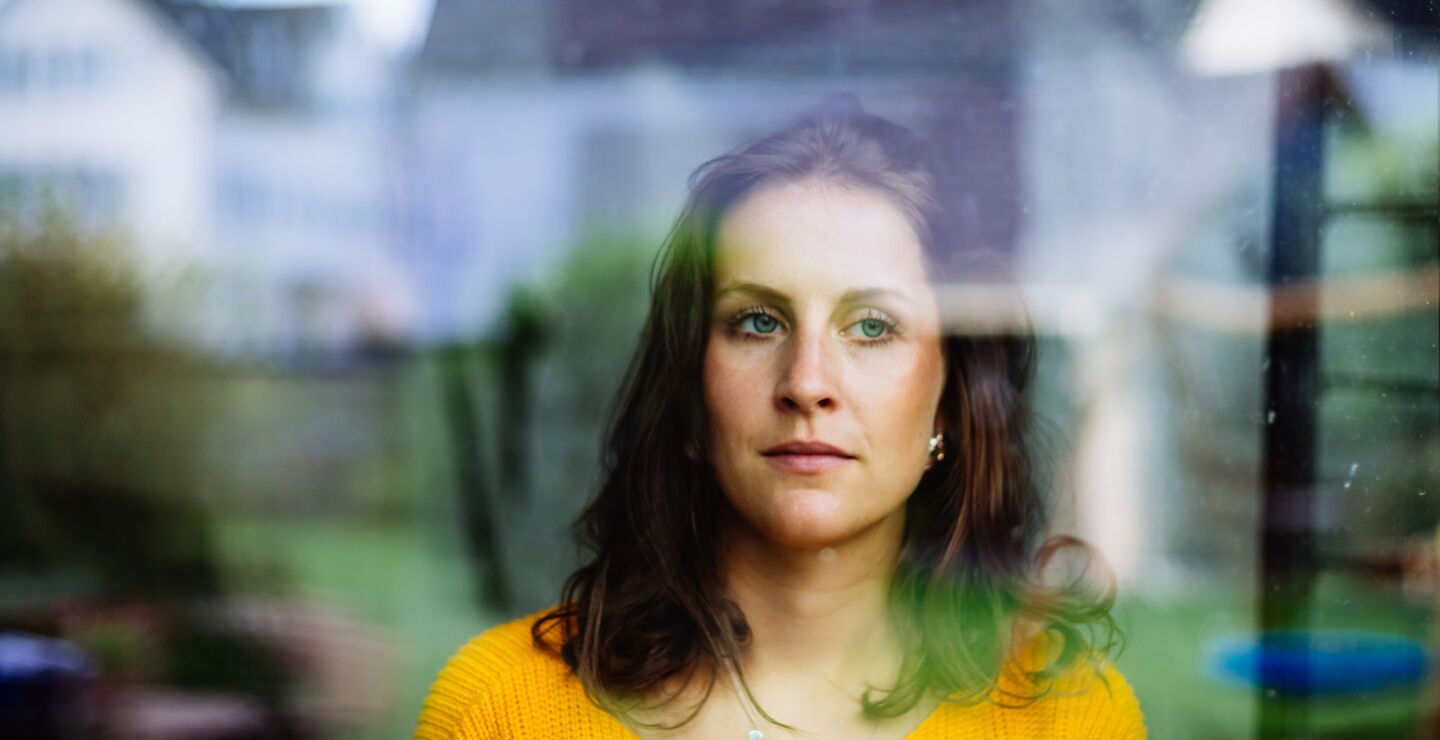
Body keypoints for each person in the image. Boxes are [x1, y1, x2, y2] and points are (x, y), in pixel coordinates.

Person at [415, 96, 1145, 739]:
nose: (807, 383)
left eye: (871, 327)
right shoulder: (498, 710)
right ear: (691, 388)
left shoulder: (1065, 719)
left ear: (951, 403)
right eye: (758, 321)